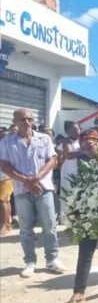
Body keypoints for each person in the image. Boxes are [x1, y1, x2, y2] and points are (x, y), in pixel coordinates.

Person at [0, 109, 66, 277]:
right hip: (21, 190)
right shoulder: (7, 141)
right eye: (22, 119)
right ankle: (30, 261)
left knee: (49, 225)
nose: (26, 122)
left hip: (44, 188)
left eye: (29, 119)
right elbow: (5, 166)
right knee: (26, 228)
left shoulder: (44, 139)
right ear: (15, 121)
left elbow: (52, 160)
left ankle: (52, 259)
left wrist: (36, 178)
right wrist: (25, 181)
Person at [62, 129, 98, 303]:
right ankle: (79, 292)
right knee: (85, 251)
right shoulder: (82, 161)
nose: (87, 150)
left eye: (90, 146)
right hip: (89, 214)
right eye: (84, 148)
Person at [0, 128, 13, 236]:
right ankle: (7, 224)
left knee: (3, 201)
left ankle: (4, 225)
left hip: (6, 177)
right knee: (5, 201)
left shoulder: (9, 146)